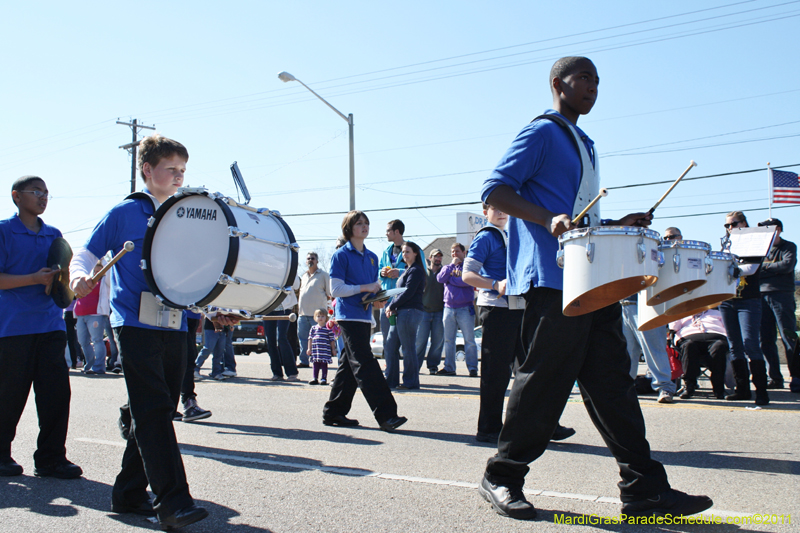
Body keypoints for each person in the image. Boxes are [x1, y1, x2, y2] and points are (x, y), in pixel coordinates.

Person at [477, 56, 712, 520]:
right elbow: (494, 191)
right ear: (556, 84)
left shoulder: (585, 142)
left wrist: (617, 224)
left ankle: (643, 488)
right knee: (543, 383)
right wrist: (547, 219)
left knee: (614, 386)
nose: (592, 87)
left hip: (591, 280)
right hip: (553, 280)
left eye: (597, 81)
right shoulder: (543, 131)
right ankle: (501, 476)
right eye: (583, 78)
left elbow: (580, 218)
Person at [70, 135, 211, 528]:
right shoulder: (124, 212)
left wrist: (216, 309)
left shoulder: (186, 213)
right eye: (171, 169)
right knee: (153, 408)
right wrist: (80, 274)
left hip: (175, 321)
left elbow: (199, 271)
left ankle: (129, 493)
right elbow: (86, 252)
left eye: (183, 170)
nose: (179, 177)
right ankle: (172, 501)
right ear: (148, 170)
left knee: (157, 407)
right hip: (132, 322)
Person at [463, 204, 574, 444]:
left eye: (505, 208)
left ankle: (544, 425)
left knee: (532, 371)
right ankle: (489, 428)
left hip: (521, 309)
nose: (502, 212)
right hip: (496, 310)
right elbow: (467, 275)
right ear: (486, 213)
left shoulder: (515, 234)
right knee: (496, 374)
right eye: (495, 208)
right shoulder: (486, 237)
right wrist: (494, 284)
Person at [0, 175, 82, 479]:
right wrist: (34, 278)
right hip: (12, 327)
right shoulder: (4, 232)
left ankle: (50, 458)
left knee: (56, 394)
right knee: (9, 395)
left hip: (50, 325)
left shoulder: (54, 234)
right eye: (36, 192)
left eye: (47, 193)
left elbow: (62, 281)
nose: (43, 197)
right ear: (16, 196)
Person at [322, 211, 407, 432]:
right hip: (347, 316)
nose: (364, 226)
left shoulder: (372, 257)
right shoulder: (341, 255)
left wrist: (376, 298)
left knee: (349, 365)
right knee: (365, 362)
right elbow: (336, 289)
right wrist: (365, 288)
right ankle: (387, 415)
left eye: (366, 223)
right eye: (359, 223)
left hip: (364, 315)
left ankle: (334, 412)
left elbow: (370, 289)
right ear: (349, 228)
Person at [620, 227, 682, 404]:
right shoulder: (623, 250)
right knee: (626, 353)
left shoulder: (656, 251)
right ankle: (625, 389)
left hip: (647, 304)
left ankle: (665, 387)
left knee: (653, 348)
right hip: (624, 304)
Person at [719, 211, 769, 405]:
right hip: (728, 299)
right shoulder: (727, 244)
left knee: (750, 343)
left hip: (748, 299)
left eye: (733, 223)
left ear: (744, 223)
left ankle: (762, 391)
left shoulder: (754, 241)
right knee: (734, 345)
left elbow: (751, 268)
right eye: (727, 225)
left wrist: (730, 268)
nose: (730, 228)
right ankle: (742, 389)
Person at [757, 218, 798, 391]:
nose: (765, 231)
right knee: (765, 339)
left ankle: (796, 377)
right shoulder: (758, 249)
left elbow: (787, 266)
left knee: (789, 337)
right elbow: (752, 269)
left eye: (769, 228)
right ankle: (775, 377)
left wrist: (763, 269)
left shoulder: (789, 247)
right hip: (760, 297)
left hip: (782, 296)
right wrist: (772, 268)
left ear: (779, 229)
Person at [385, 241, 427, 389]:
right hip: (400, 312)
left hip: (410, 312)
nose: (404, 254)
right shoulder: (407, 270)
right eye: (403, 252)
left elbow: (408, 292)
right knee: (390, 346)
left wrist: (392, 305)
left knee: (408, 348)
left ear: (415, 253)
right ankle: (391, 380)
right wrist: (392, 305)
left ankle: (411, 382)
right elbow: (399, 293)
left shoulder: (416, 270)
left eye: (407, 251)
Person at [437, 243, 478, 377]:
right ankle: (449, 367)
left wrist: (451, 280)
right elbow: (440, 278)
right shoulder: (447, 268)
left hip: (465, 308)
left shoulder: (468, 267)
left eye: (457, 251)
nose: (454, 254)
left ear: (463, 253)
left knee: (469, 340)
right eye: (452, 252)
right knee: (449, 340)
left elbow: (467, 282)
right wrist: (450, 269)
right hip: (448, 308)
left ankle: (472, 368)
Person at [669, 309, 728, 399]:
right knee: (689, 346)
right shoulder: (683, 314)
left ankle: (719, 389)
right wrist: (680, 313)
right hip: (689, 339)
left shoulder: (717, 313)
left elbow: (728, 329)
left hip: (716, 338)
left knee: (719, 347)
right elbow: (673, 328)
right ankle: (689, 386)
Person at [379, 220, 407, 382]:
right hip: (386, 301)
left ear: (397, 232)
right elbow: (378, 272)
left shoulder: (411, 249)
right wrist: (382, 272)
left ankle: (410, 377)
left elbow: (421, 272)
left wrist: (400, 272)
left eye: (388, 230)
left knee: (406, 343)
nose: (386, 233)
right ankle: (390, 376)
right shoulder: (386, 251)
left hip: (404, 302)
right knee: (388, 342)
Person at [74, 260, 110, 374]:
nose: (97, 272)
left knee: (97, 340)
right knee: (83, 341)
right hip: (81, 314)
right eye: (95, 270)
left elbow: (109, 270)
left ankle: (98, 367)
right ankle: (89, 365)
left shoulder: (105, 280)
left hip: (96, 314)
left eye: (99, 270)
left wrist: (103, 259)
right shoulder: (87, 280)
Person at [298, 252, 331, 368]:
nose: (310, 260)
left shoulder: (324, 275)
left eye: (312, 258)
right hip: (302, 314)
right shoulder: (303, 276)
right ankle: (304, 361)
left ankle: (320, 360)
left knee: (319, 339)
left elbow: (329, 294)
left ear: (317, 261)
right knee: (303, 338)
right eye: (308, 259)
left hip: (318, 316)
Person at [177, 310, 212, 422]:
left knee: (189, 359)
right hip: (177, 313)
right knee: (182, 360)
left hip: (192, 314)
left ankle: (186, 403)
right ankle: (188, 403)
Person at [265, 275, 301, 382]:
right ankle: (277, 373)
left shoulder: (287, 266)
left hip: (284, 306)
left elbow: (296, 285)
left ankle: (292, 372)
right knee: (270, 340)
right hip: (268, 305)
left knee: (281, 338)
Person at [416, 249, 445, 375]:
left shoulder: (445, 272)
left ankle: (433, 366)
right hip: (424, 312)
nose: (438, 259)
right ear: (430, 258)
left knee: (437, 342)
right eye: (435, 256)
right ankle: (415, 367)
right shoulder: (423, 272)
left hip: (440, 312)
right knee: (420, 341)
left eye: (440, 257)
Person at [307, 308, 336, 385]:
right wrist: (309, 348)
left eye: (322, 316)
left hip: (325, 350)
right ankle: (315, 378)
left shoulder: (328, 328)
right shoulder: (313, 328)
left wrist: (333, 349)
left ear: (326, 317)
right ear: (315, 318)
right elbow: (310, 338)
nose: (320, 318)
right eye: (318, 316)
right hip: (316, 350)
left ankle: (323, 378)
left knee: (324, 364)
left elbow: (332, 339)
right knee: (315, 364)